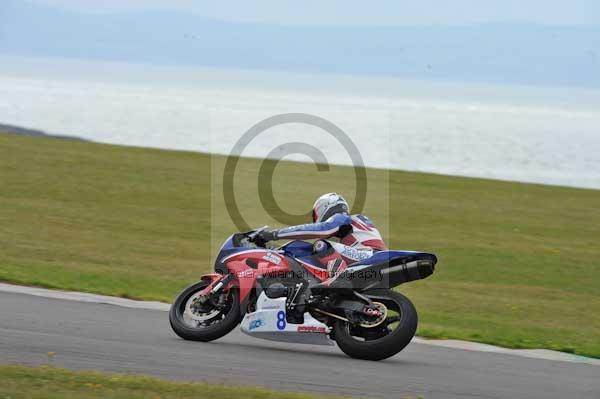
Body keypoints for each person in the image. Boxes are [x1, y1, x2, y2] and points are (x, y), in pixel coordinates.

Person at [252, 193, 387, 288]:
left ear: (325, 207)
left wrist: (274, 234)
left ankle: (339, 279)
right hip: (371, 263)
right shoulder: (353, 227)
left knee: (321, 244)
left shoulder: (343, 218)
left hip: (370, 255)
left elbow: (323, 229)